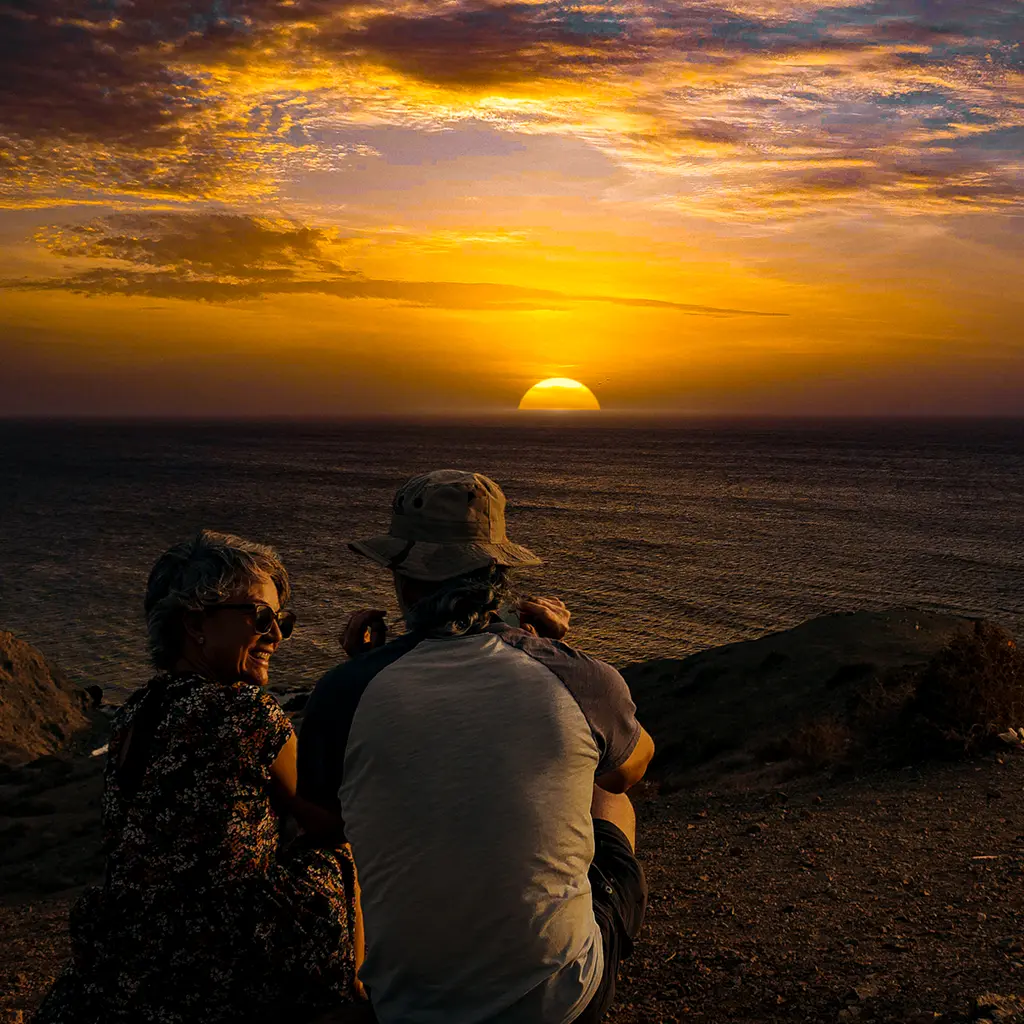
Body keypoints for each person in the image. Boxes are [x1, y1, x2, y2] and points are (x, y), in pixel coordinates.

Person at [299, 470, 655, 1024]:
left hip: (410, 1005)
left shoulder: (343, 692)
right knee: (608, 795)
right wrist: (560, 655)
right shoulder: (580, 677)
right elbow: (631, 767)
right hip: (560, 1004)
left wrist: (360, 670)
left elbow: (324, 822)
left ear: (403, 579)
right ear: (499, 574)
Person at [35, 531, 361, 1024]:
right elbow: (328, 819)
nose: (277, 636)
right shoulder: (244, 711)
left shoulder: (135, 711)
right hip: (221, 952)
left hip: (137, 946)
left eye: (283, 620)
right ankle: (355, 993)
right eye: (261, 617)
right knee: (341, 851)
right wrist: (360, 672)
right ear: (194, 622)